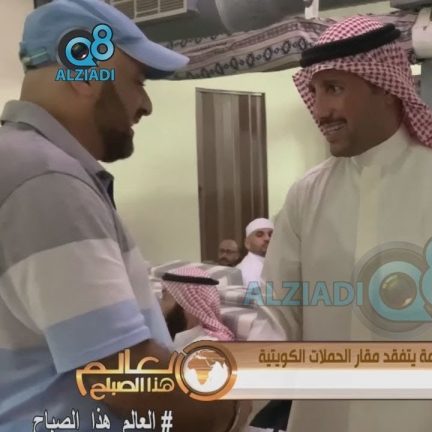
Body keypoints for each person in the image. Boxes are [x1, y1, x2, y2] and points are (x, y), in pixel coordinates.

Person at [247, 16, 432, 432]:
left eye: (334, 89)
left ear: (384, 87)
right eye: (315, 92)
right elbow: (277, 318)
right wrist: (231, 403)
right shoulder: (306, 194)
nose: (321, 111)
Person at [0, 1, 248, 430]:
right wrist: (234, 410)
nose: (145, 105)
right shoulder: (47, 181)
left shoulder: (19, 162)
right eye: (137, 81)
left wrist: (154, 317)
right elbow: (122, 377)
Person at [160, 266, 236, 350]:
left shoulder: (208, 347)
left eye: (164, 295)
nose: (160, 305)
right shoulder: (182, 340)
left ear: (186, 302)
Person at [237, 218, 273, 287]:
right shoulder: (243, 271)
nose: (267, 238)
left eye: (271, 234)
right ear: (247, 243)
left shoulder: (279, 265)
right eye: (260, 235)